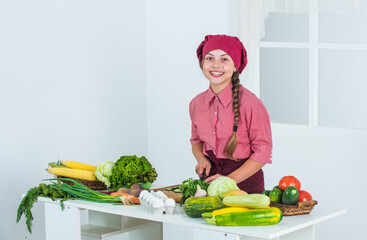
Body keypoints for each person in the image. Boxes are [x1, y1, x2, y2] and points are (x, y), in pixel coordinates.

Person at [189, 34, 272, 194]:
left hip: (244, 185)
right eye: (210, 58)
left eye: (224, 59)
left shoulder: (250, 104)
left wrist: (229, 180)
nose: (216, 65)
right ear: (202, 64)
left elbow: (263, 150)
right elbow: (196, 141)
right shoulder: (196, 104)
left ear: (235, 66)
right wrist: (201, 158)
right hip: (211, 182)